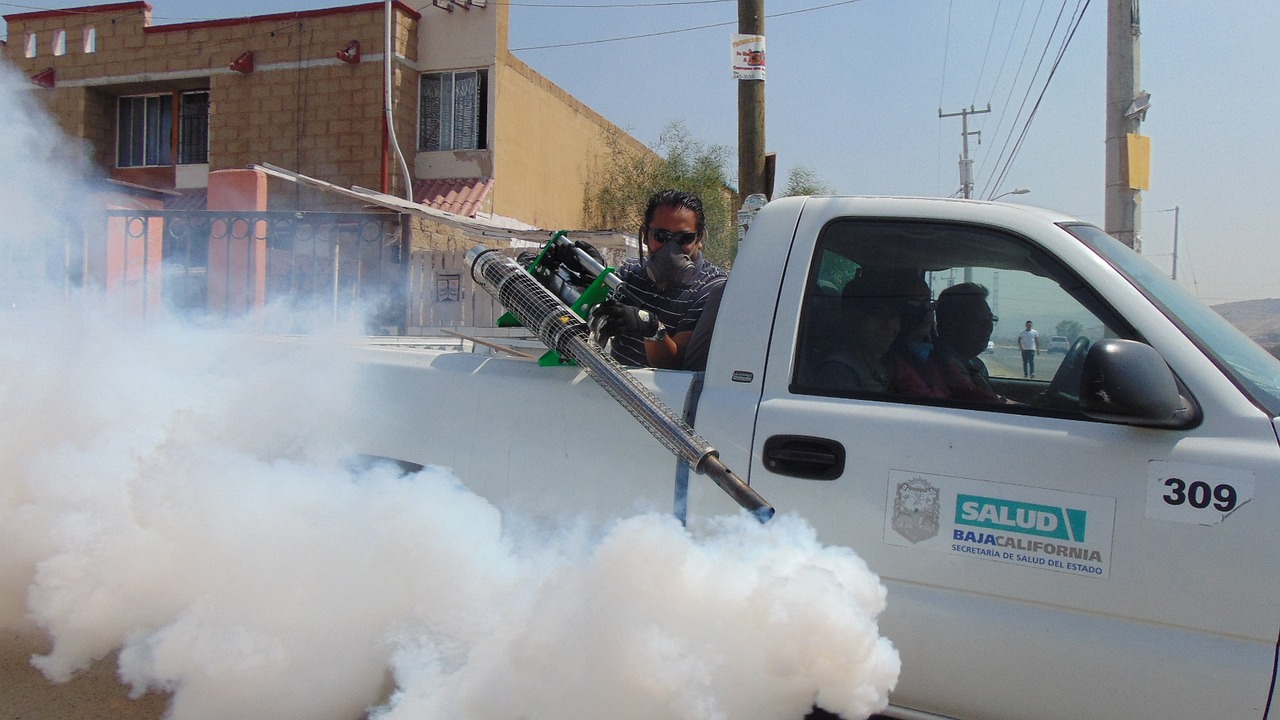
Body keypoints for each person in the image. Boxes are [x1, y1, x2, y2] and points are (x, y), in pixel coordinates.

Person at [589, 190, 728, 368]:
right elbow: (589, 314)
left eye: (683, 238)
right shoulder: (631, 273)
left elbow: (677, 364)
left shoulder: (712, 289)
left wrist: (651, 327)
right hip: (615, 385)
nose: (671, 249)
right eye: (661, 237)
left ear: (699, 239)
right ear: (646, 235)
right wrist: (589, 279)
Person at [810, 274, 905, 393]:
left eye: (893, 315)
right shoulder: (837, 371)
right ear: (854, 319)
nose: (888, 325)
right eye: (876, 314)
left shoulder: (880, 371)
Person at [927, 282, 1003, 402]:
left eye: (990, 320)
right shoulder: (945, 366)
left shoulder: (975, 364)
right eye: (980, 319)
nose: (988, 327)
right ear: (951, 322)